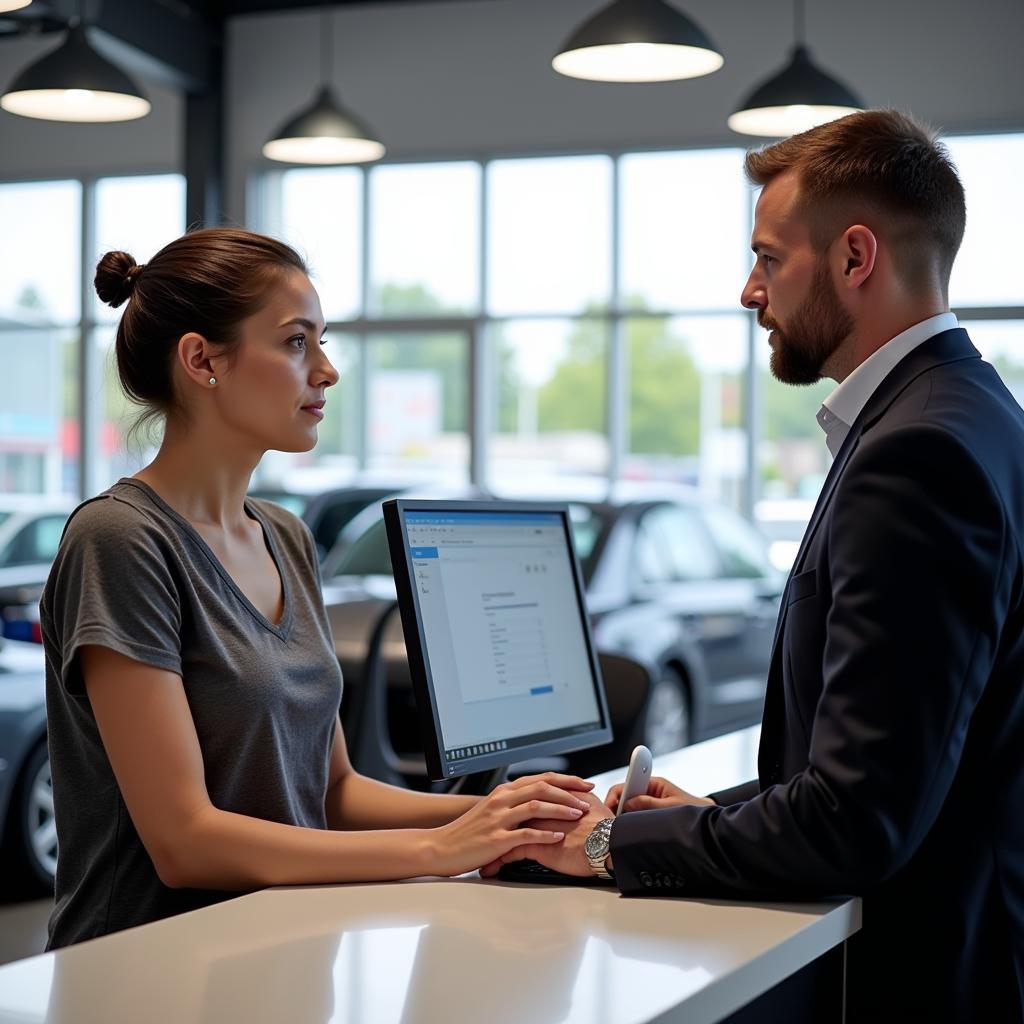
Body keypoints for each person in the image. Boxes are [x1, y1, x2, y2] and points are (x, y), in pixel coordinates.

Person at [485, 109, 1024, 1022]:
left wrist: (612, 845)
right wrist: (689, 823)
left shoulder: (918, 451)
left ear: (856, 258)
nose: (748, 290)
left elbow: (859, 822)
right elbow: (886, 766)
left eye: (770, 259)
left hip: (924, 976)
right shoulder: (969, 413)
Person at [40, 227, 593, 950]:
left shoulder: (284, 536)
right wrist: (439, 850)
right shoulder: (121, 540)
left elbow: (331, 792)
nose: (327, 370)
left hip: (282, 948)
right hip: (145, 968)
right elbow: (186, 842)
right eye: (298, 342)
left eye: (321, 342)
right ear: (201, 359)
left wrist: (499, 815)